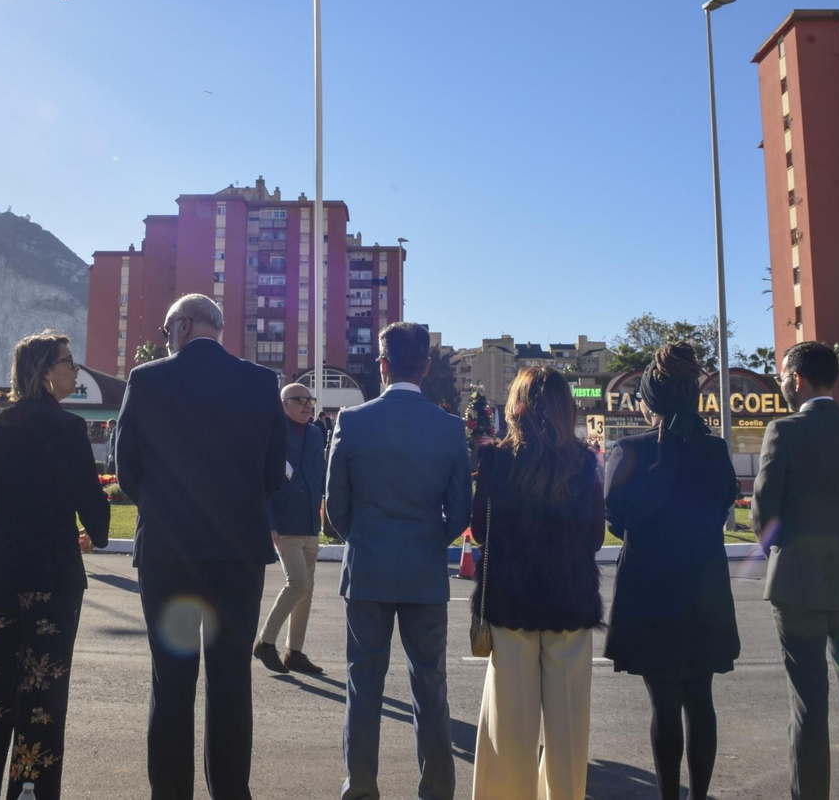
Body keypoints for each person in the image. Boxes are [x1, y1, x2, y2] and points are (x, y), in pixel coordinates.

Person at [114, 294, 286, 799]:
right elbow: (273, 473)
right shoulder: (260, 382)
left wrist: (164, 507)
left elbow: (127, 469)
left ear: (184, 325)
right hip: (237, 554)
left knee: (171, 684)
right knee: (231, 682)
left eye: (169, 331)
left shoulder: (146, 381)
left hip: (168, 554)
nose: (167, 341)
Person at [0, 331, 111, 800]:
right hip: (49, 575)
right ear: (45, 372)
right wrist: (94, 534)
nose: (75, 370)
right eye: (67, 362)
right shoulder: (68, 428)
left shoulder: (0, 426)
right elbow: (93, 507)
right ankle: (30, 791)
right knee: (41, 698)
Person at [325, 321, 471, 800]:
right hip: (424, 572)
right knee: (430, 685)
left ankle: (361, 787)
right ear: (426, 367)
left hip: (367, 568)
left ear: (381, 365)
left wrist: (364, 539)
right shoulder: (450, 429)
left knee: (362, 685)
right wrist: (429, 539)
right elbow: (461, 512)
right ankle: (435, 790)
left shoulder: (353, 421)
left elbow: (336, 506)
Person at [752, 341, 839, 800]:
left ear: (796, 379)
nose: (780, 385)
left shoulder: (783, 431)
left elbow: (762, 516)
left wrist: (785, 554)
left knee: (809, 704)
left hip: (797, 588)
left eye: (780, 377)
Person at [604, 343, 740, 800]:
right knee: (700, 699)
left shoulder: (627, 451)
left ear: (651, 401)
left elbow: (616, 520)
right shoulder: (717, 451)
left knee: (664, 704)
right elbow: (722, 505)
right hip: (704, 589)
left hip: (648, 594)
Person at [471, 366, 604, 800]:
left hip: (510, 604)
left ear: (517, 407)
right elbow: (597, 535)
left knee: (508, 730)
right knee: (568, 732)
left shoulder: (495, 460)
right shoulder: (583, 462)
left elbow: (479, 528)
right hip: (570, 602)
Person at [254, 382, 328, 675]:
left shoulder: (315, 432)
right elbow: (263, 480)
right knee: (297, 582)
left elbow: (318, 474)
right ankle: (264, 642)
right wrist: (269, 523)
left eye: (310, 399)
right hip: (284, 521)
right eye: (300, 400)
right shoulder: (273, 432)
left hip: (309, 520)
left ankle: (294, 652)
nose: (307, 405)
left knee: (306, 590)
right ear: (284, 403)